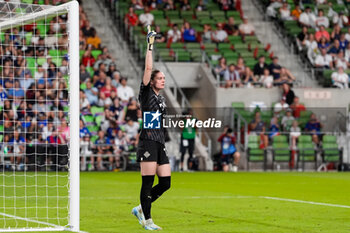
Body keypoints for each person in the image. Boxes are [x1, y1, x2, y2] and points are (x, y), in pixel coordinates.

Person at [132, 26, 170, 231]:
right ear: (152, 81)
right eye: (160, 78)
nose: (163, 80)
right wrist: (150, 46)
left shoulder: (161, 98)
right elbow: (147, 69)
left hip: (159, 142)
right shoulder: (146, 93)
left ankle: (140, 208)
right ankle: (147, 220)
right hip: (147, 141)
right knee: (147, 182)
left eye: (164, 78)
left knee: (165, 183)